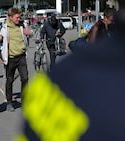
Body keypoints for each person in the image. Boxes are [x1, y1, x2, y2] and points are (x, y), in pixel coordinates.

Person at [14, 1, 125, 140]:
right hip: (49, 43)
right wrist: (42, 39)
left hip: (63, 57)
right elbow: (91, 43)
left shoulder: (55, 81)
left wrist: (60, 33)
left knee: (56, 54)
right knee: (52, 54)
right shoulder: (96, 31)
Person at [0, 8, 33, 112]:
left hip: (21, 56)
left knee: (25, 78)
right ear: (11, 18)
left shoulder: (22, 25)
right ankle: (9, 102)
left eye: (19, 17)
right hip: (10, 58)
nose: (19, 19)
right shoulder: (5, 27)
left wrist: (29, 32)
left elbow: (31, 33)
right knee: (9, 80)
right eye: (17, 17)